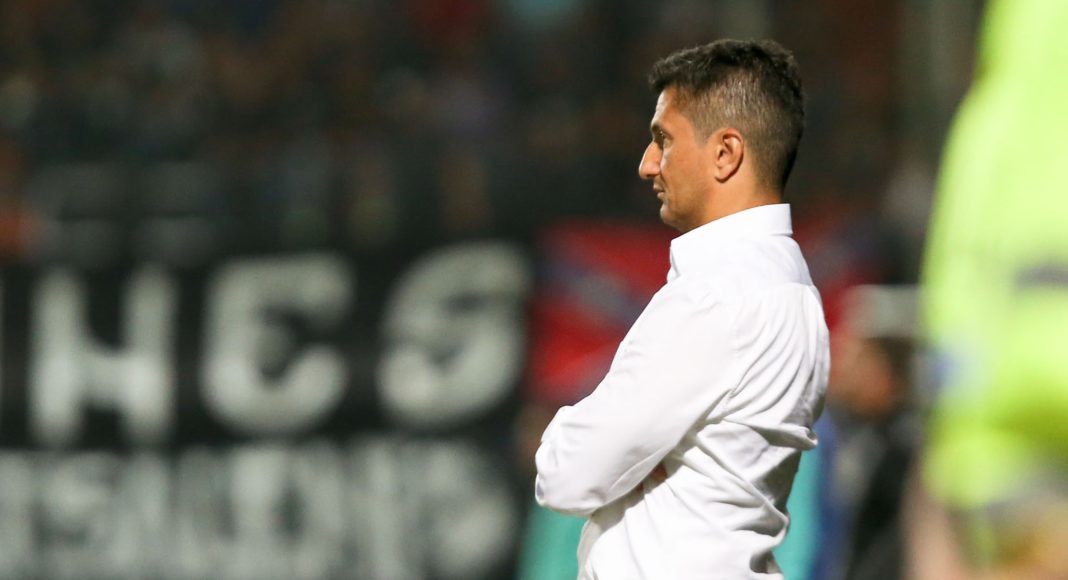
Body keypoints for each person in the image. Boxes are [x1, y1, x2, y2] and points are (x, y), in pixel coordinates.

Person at [534, 39, 830, 579]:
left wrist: (573, 432)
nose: (647, 165)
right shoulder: (794, 288)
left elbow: (566, 476)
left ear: (726, 153)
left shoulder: (713, 296)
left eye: (663, 140)